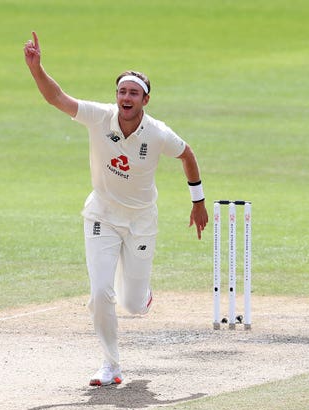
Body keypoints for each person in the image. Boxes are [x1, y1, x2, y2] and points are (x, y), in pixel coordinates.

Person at [24, 32, 208, 386]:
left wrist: (197, 201)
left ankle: (141, 294)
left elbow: (187, 154)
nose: (126, 97)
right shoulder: (99, 117)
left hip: (140, 221)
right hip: (102, 217)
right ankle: (111, 365)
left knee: (133, 305)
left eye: (133, 93)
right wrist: (36, 69)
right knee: (100, 293)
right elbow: (57, 98)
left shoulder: (158, 133)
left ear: (145, 99)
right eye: (122, 91)